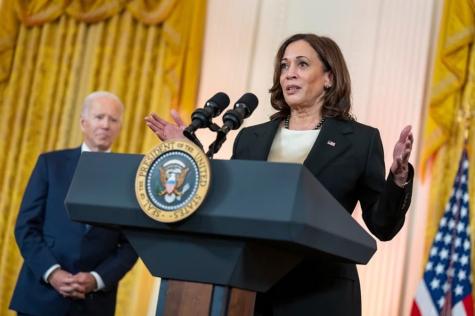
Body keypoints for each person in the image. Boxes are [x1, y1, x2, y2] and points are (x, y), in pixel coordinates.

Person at [145, 33, 414, 316]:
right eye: (284, 66)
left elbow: (382, 225)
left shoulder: (360, 140)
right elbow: (228, 196)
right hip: (251, 290)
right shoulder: (251, 137)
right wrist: (191, 152)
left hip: (322, 293)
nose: (289, 74)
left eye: (302, 65)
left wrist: (398, 178)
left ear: (329, 78)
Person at [10, 91, 138, 316]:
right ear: (83, 122)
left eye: (113, 119)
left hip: (93, 303)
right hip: (40, 296)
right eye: (99, 117)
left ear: (120, 127)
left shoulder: (131, 177)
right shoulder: (51, 163)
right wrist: (53, 273)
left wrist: (96, 279)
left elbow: (131, 244)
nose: (106, 125)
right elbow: (26, 227)